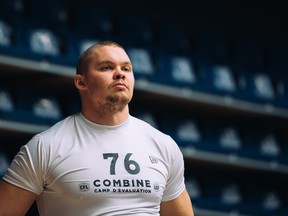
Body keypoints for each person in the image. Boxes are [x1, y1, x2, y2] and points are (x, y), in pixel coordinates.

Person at [0, 40, 194, 216]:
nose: (120, 73)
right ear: (81, 82)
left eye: (126, 68)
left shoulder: (163, 144)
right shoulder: (46, 146)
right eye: (107, 67)